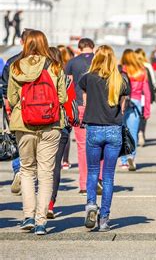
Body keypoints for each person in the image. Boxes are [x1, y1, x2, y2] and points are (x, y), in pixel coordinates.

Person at [7, 30, 66, 235]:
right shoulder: (55, 66)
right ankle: (41, 221)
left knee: (27, 171)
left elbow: (12, 98)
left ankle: (28, 217)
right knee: (46, 173)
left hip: (24, 124)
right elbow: (62, 97)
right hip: (50, 124)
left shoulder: (16, 66)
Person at [79, 45, 129, 232]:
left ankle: (91, 205)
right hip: (113, 129)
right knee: (108, 176)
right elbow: (122, 107)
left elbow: (84, 100)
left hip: (93, 127)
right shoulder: (120, 79)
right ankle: (105, 219)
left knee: (93, 172)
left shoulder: (88, 78)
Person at [0, 29, 31, 196]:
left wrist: (8, 109)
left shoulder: (12, 62)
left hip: (17, 108)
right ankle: (29, 172)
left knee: (17, 140)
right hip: (39, 110)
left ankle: (19, 169)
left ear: (21, 42)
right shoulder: (44, 62)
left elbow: (5, 89)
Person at [47, 47, 77, 219]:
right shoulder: (65, 79)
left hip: (36, 125)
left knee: (39, 167)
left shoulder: (37, 77)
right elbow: (71, 104)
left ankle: (36, 204)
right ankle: (50, 204)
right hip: (60, 126)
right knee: (55, 166)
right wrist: (73, 121)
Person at [65, 38, 95, 194]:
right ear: (92, 47)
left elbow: (68, 86)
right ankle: (99, 181)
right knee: (99, 145)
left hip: (79, 106)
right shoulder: (99, 60)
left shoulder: (72, 62)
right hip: (97, 107)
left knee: (82, 146)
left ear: (79, 48)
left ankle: (84, 184)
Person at [120, 50, 151, 170]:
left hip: (123, 102)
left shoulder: (123, 70)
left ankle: (123, 161)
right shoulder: (142, 71)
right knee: (133, 133)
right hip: (136, 103)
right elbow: (147, 92)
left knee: (123, 131)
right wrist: (147, 110)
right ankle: (131, 157)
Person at [57, 45, 75, 169]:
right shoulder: (70, 68)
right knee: (67, 133)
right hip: (69, 102)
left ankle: (57, 159)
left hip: (57, 103)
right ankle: (65, 160)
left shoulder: (55, 68)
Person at [135, 48, 156, 147]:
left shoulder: (133, 66)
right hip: (145, 95)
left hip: (135, 95)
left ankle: (135, 135)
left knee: (135, 115)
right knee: (143, 116)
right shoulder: (147, 66)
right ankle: (141, 132)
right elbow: (153, 81)